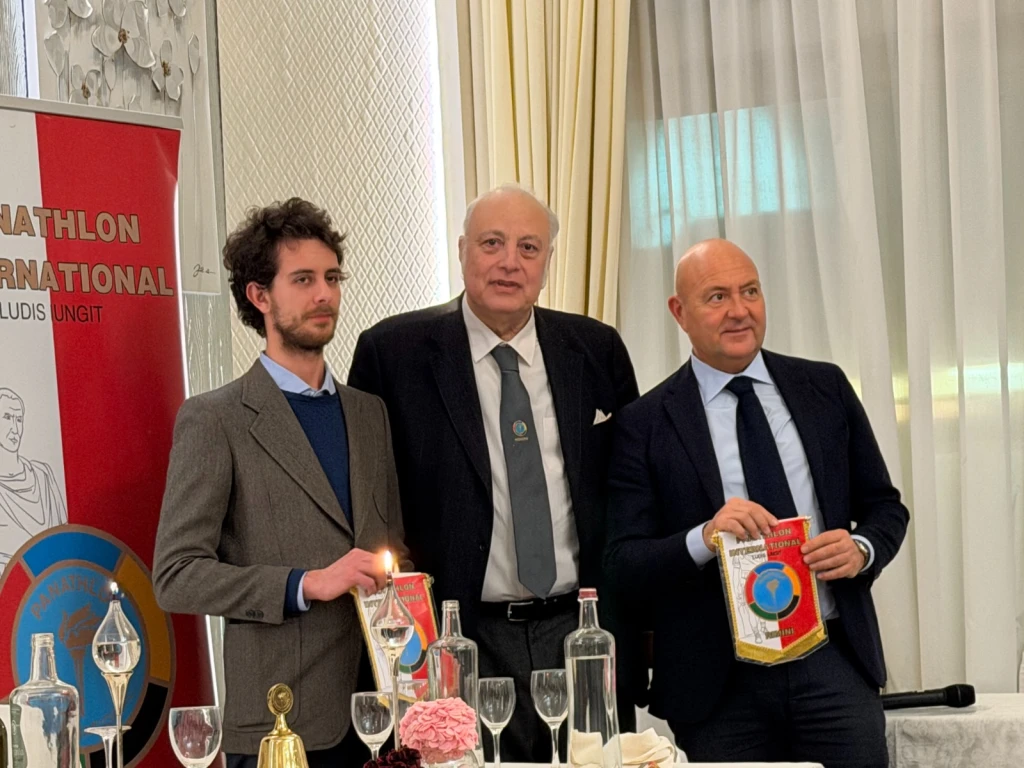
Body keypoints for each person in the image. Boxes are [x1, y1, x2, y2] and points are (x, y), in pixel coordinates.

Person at [348, 184, 643, 762]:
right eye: (492, 243)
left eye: (529, 247)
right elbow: (369, 500)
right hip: (458, 637)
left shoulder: (595, 348)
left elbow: (630, 490)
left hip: (580, 632)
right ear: (462, 251)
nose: (510, 262)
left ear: (547, 261)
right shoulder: (393, 353)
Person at [604, 238, 908, 767]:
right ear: (679, 312)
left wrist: (862, 549)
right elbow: (622, 561)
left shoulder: (825, 387)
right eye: (717, 297)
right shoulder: (644, 423)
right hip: (718, 683)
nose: (739, 310)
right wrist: (704, 538)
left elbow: (886, 507)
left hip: (832, 658)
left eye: (750, 291)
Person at [153, 198, 410, 768]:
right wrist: (304, 584)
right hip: (281, 723)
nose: (324, 294)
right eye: (303, 280)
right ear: (259, 296)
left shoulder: (370, 413)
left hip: (384, 714)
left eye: (332, 278)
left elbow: (391, 549)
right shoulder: (215, 419)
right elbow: (175, 576)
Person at [0, 387, 67, 569]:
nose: (15, 429)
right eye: (7, 417)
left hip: (51, 578)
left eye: (19, 419)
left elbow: (64, 535)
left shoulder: (43, 475)